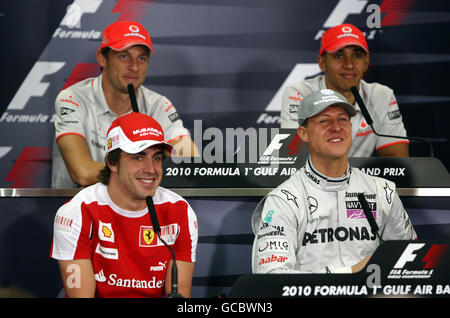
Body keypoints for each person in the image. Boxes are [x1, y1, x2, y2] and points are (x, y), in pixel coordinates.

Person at [252, 89, 416, 274]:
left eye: (343, 119)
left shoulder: (382, 191)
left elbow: (409, 261)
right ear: (303, 133)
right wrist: (349, 273)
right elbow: (271, 277)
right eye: (324, 121)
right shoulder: (284, 201)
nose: (336, 127)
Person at [50, 112, 198, 297]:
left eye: (157, 158)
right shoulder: (76, 212)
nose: (151, 169)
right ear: (112, 162)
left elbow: (179, 297)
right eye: (138, 157)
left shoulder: (180, 211)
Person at [52, 20, 199, 188]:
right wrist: (142, 170)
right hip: (81, 210)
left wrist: (135, 170)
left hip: (137, 211)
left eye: (142, 58)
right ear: (102, 58)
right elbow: (83, 173)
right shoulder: (73, 98)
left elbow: (189, 163)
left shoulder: (158, 105)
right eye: (124, 56)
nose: (134, 67)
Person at [280, 23, 409, 157]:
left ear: (366, 62)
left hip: (364, 178)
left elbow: (397, 162)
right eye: (339, 56)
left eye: (357, 55)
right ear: (322, 63)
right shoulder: (300, 93)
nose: (349, 64)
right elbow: (295, 156)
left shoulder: (382, 95)